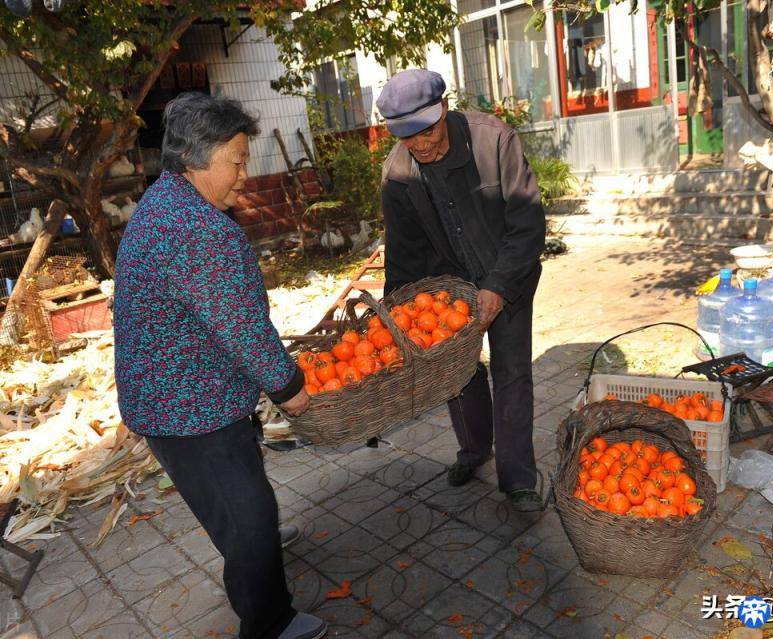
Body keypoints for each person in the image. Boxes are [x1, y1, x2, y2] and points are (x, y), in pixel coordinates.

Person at [114, 92, 327, 639]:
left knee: (240, 503)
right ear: (195, 159)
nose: (243, 173)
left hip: (172, 397)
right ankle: (268, 622)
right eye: (236, 160)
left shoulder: (164, 202)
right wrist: (291, 389)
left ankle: (253, 550)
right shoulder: (199, 230)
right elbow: (243, 330)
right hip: (192, 411)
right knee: (247, 514)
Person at [376, 70, 546, 512]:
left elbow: (526, 224)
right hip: (449, 297)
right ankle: (474, 452)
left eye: (427, 131)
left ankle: (518, 480)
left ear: (444, 111)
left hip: (509, 278)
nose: (422, 144)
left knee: (512, 373)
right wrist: (395, 318)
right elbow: (404, 256)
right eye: (408, 137)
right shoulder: (398, 174)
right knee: (457, 376)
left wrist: (498, 285)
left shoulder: (495, 141)